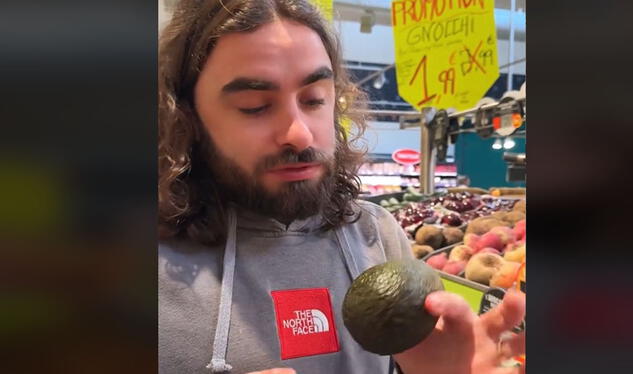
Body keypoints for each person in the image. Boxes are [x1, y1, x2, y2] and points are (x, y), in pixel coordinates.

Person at [158, 1, 525, 373]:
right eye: (255, 106)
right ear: (187, 117)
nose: (300, 134)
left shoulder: (377, 233)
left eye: (315, 99)